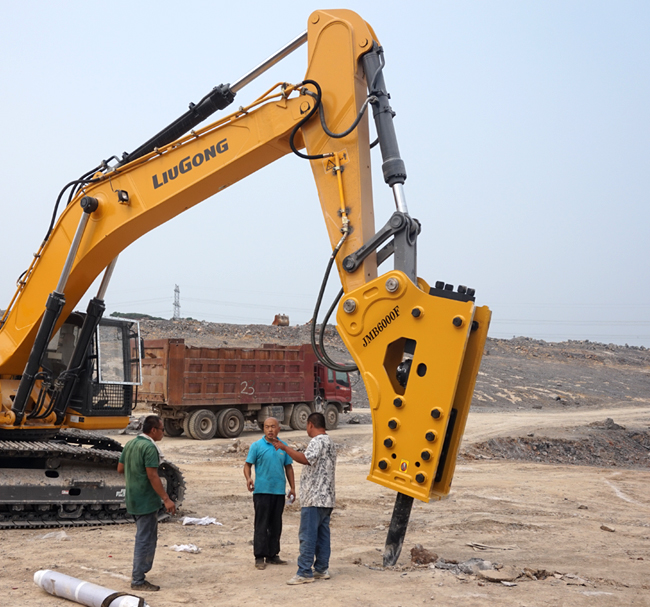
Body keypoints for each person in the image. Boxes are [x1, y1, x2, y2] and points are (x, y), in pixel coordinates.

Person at [270, 412, 336, 585]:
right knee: (322, 536)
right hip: (327, 498)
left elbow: (306, 459)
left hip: (314, 498)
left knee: (308, 535)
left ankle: (304, 571)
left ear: (310, 425)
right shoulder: (329, 441)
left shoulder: (317, 441)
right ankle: (321, 568)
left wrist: (285, 448)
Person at [118, 415, 176, 592]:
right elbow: (152, 475)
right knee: (145, 539)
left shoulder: (130, 444)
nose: (163, 433)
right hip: (146, 500)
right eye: (162, 430)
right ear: (153, 430)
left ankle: (140, 574)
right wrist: (166, 498)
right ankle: (138, 580)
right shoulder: (149, 447)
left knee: (143, 536)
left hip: (133, 497)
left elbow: (120, 469)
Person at [244, 417, 296, 570]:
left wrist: (293, 488)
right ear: (263, 429)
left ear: (279, 428)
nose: (270, 430)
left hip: (278, 492)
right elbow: (247, 465)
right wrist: (248, 478)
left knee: (276, 524)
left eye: (273, 427)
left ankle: (273, 555)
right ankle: (259, 556)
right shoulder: (256, 446)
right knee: (261, 524)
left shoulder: (283, 447)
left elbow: (289, 468)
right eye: (267, 427)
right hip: (261, 492)